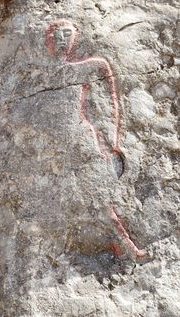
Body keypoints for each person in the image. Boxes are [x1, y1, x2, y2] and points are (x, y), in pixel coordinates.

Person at [45, 18, 146, 258]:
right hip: (55, 147)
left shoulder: (85, 68)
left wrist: (113, 140)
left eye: (67, 35)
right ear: (49, 40)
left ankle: (125, 243)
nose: (62, 40)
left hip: (81, 140)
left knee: (101, 194)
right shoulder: (44, 76)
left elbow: (106, 89)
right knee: (64, 197)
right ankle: (72, 249)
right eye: (58, 35)